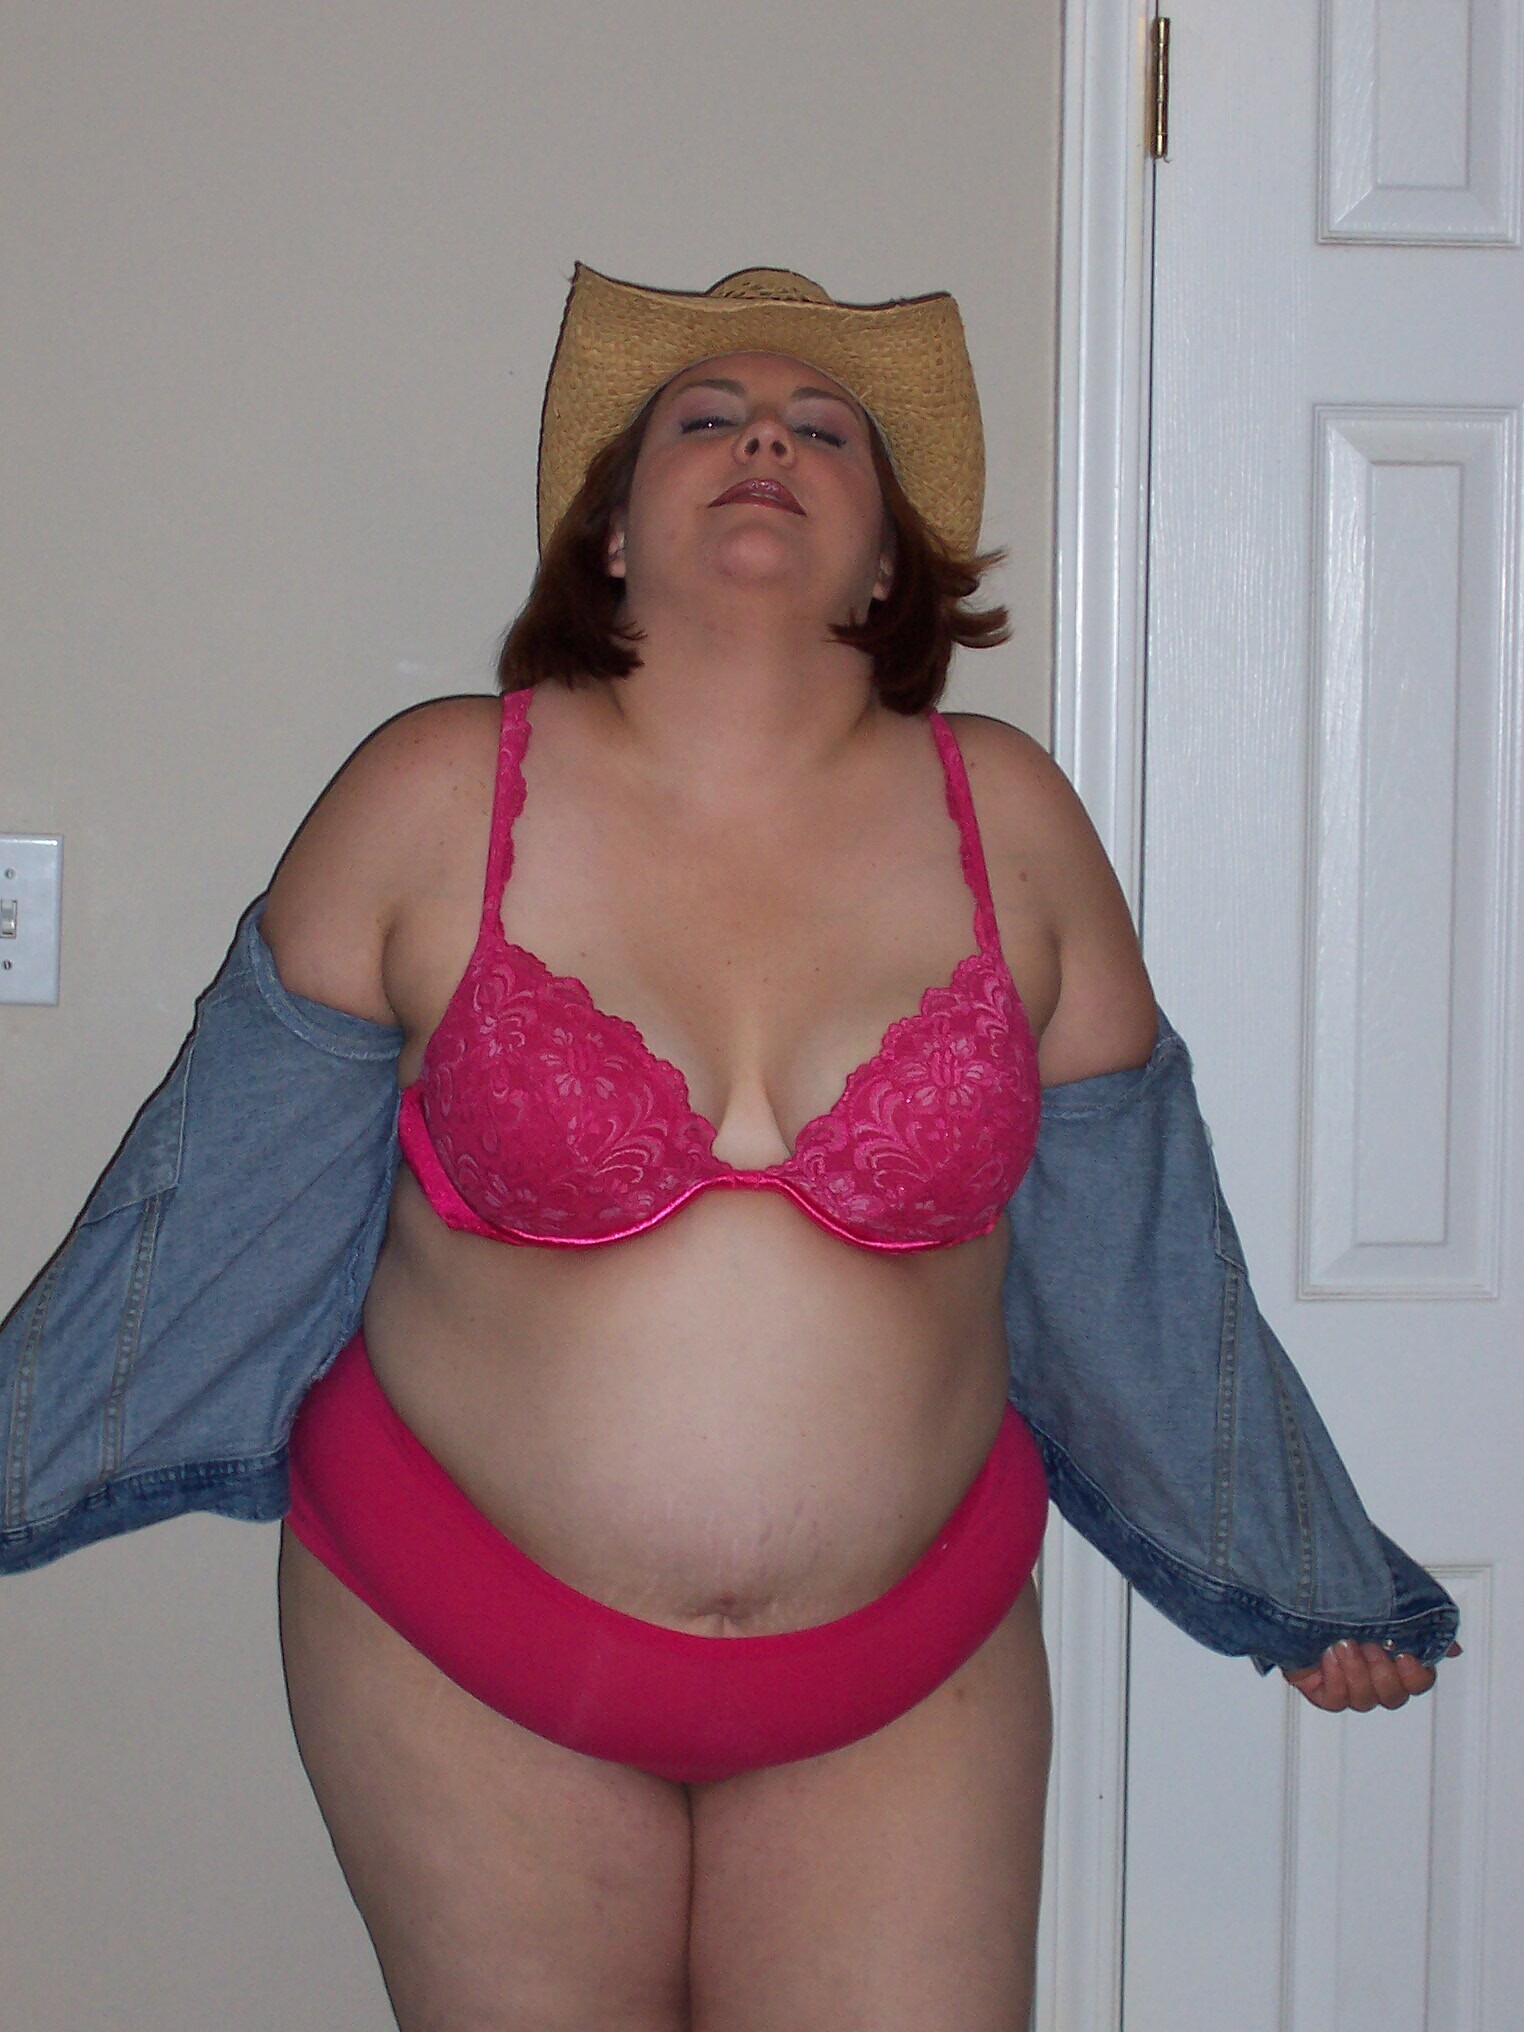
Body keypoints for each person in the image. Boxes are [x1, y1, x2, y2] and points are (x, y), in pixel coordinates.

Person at [1, 265, 1457, 2031]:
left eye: (823, 432)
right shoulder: (432, 790)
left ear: (887, 563)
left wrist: (1289, 1562)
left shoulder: (1011, 816)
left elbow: (1140, 1245)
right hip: (456, 1646)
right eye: (707, 418)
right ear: (612, 535)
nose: (767, 438)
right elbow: (206, 1201)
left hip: (910, 1678)